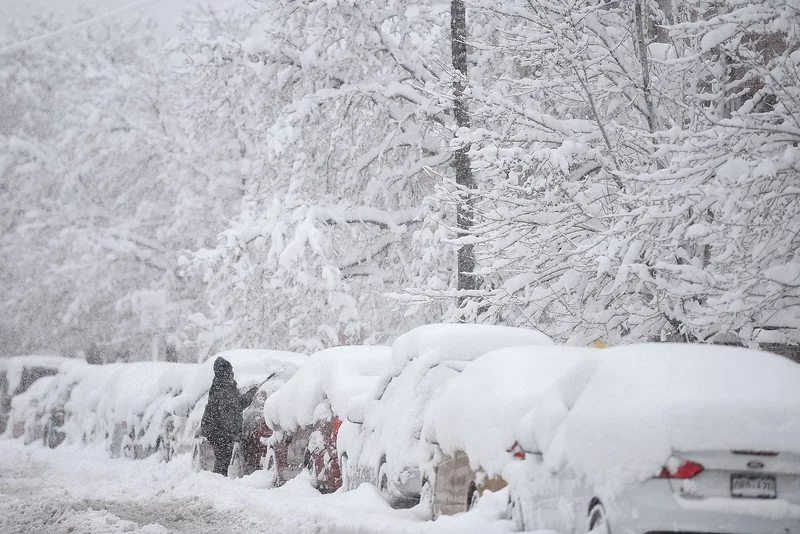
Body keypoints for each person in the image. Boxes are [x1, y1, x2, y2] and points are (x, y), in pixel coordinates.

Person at [200, 357, 244, 475]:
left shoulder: (220, 385)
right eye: (230, 370)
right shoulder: (224, 388)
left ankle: (218, 481)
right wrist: (234, 432)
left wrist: (250, 393)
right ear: (225, 371)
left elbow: (237, 404)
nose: (232, 372)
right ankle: (218, 482)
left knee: (222, 460)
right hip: (221, 433)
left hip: (217, 431)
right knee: (223, 461)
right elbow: (228, 413)